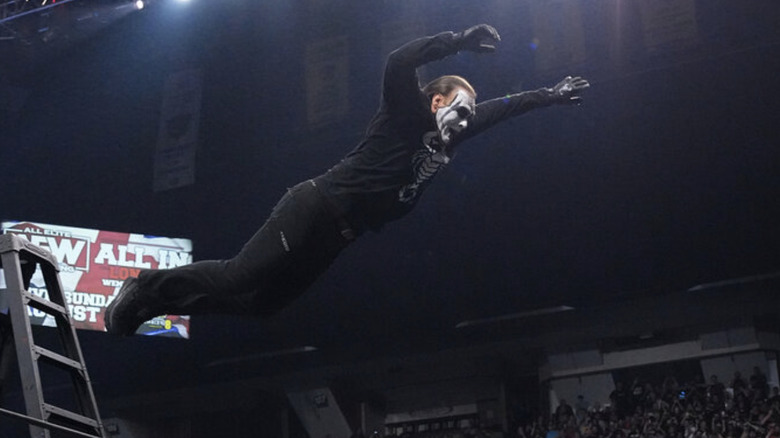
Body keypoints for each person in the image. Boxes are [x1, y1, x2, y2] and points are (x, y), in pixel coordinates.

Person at [104, 24, 590, 336]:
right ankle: (147, 285)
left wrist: (550, 93)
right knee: (239, 275)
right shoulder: (407, 109)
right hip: (315, 205)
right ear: (437, 101)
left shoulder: (450, 137)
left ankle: (153, 308)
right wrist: (458, 42)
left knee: (262, 306)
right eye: (460, 109)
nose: (466, 121)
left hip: (338, 237)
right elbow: (398, 61)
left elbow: (503, 109)